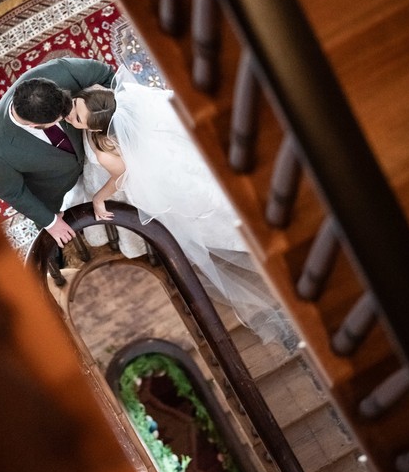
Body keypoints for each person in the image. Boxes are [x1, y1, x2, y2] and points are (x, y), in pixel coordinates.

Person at [66, 68, 297, 346]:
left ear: (95, 127)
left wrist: (98, 197)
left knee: (226, 216)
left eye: (77, 115)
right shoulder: (131, 101)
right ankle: (274, 231)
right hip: (187, 168)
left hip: (182, 188)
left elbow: (120, 177)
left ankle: (274, 242)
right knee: (233, 208)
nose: (70, 116)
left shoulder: (103, 148)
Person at [0, 56, 115, 246]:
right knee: (55, 242)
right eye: (62, 118)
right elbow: (13, 193)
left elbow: (108, 75)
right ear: (36, 125)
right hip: (52, 189)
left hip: (94, 158)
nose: (69, 115)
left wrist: (110, 127)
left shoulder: (61, 71)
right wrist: (50, 223)